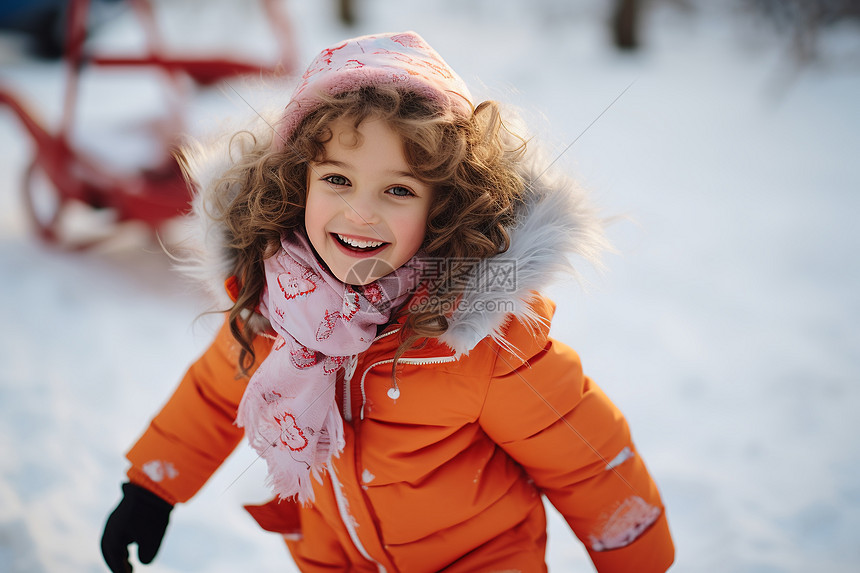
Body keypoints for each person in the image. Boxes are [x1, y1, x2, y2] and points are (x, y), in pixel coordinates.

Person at [100, 31, 675, 573]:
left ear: (442, 206)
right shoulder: (276, 304)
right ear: (299, 183)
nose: (361, 213)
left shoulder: (481, 343)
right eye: (337, 181)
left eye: (398, 189)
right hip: (335, 555)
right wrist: (150, 488)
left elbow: (586, 456)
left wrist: (638, 558)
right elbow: (213, 391)